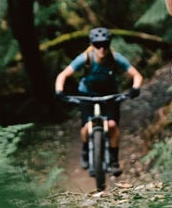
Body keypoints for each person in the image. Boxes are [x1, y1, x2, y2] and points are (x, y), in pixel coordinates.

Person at [54, 27, 143, 175]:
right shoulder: (85, 58)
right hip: (87, 94)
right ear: (92, 44)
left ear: (109, 44)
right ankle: (85, 150)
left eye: (105, 44)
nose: (101, 48)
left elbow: (137, 75)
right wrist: (59, 91)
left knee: (112, 125)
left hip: (110, 95)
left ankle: (114, 160)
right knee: (87, 126)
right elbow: (62, 75)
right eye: (97, 44)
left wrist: (135, 88)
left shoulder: (115, 57)